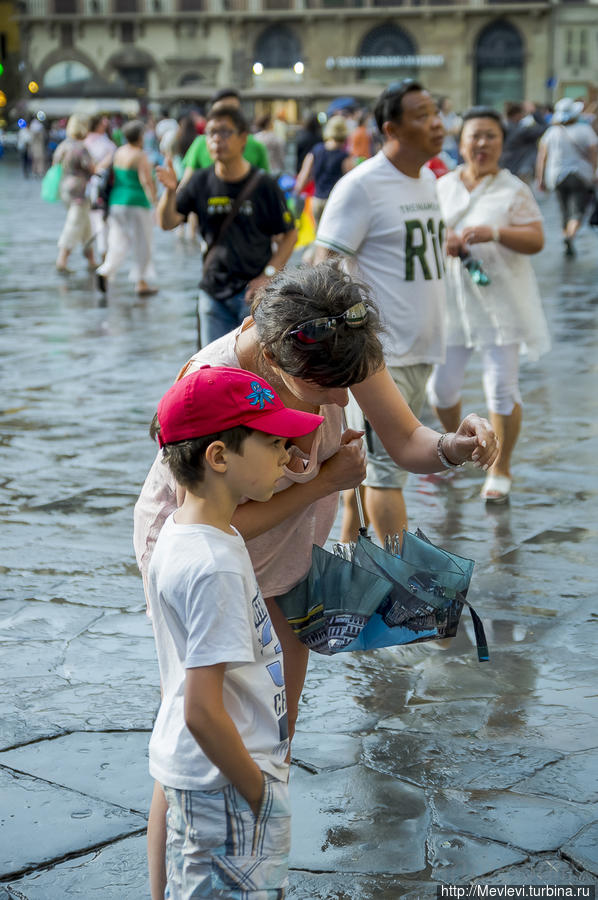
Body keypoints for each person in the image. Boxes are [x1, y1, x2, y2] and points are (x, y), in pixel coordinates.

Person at [133, 263, 498, 899]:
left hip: (290, 549)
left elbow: (407, 437)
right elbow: (223, 520)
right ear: (272, 354)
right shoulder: (217, 384)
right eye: (324, 389)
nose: (337, 401)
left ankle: (253, 858)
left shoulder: (339, 345)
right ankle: (167, 888)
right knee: (193, 727)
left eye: (347, 385)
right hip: (207, 546)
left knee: (273, 723)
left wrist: (457, 446)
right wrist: (327, 481)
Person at [147, 364, 324, 898]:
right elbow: (202, 709)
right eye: (273, 443)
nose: (288, 458)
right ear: (219, 457)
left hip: (209, 780)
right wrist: (259, 794)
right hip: (227, 784)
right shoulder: (215, 562)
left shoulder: (186, 533)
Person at [314, 79, 448, 544]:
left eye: (436, 111)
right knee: (387, 474)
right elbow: (322, 263)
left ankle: (352, 563)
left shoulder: (430, 177)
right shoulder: (362, 187)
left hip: (423, 346)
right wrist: (345, 338)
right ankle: (402, 590)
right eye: (422, 114)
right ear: (391, 128)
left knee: (365, 470)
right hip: (381, 356)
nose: (437, 123)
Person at [427, 106, 549, 504]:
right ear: (460, 143)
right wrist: (442, 243)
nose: (481, 143)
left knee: (500, 389)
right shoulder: (442, 186)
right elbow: (425, 236)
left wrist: (495, 232)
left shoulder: (512, 188)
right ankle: (457, 451)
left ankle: (501, 467)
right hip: (452, 304)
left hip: (501, 304)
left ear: (502, 142)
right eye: (474, 136)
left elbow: (536, 239)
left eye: (490, 136)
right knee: (441, 390)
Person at [156, 104, 297, 347]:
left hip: (254, 296)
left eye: (224, 132)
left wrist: (268, 275)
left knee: (257, 374)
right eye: (211, 133)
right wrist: (169, 192)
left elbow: (290, 234)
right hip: (213, 292)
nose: (216, 140)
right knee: (215, 372)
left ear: (243, 138)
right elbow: (167, 223)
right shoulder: (200, 181)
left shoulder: (264, 185)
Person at [96, 119, 158, 296]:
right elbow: (146, 181)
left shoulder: (118, 152)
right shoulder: (140, 155)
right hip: (137, 202)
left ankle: (105, 270)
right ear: (140, 136)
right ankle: (141, 282)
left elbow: (100, 169)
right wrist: (155, 202)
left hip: (117, 202)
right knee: (143, 243)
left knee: (118, 241)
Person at [536, 97, 598, 257]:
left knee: (564, 209)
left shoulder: (551, 132)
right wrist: (594, 171)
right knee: (578, 210)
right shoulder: (584, 130)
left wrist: (540, 178)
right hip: (580, 175)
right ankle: (570, 236)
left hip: (556, 176)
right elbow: (593, 154)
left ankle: (566, 235)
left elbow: (542, 157)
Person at [182, 89, 270, 179]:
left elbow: (264, 182)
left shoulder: (256, 146)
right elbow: (186, 182)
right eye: (220, 112)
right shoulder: (200, 144)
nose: (217, 138)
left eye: (232, 112)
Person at [53, 114, 97, 274]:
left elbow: (55, 163)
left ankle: (91, 260)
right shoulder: (80, 147)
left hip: (65, 187)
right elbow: (91, 167)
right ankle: (62, 260)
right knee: (75, 223)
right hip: (80, 189)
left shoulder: (63, 145)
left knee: (85, 224)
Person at [294, 115, 354, 226]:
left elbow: (304, 175)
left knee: (318, 235)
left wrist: (296, 193)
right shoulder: (344, 156)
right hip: (335, 201)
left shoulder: (316, 150)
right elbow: (351, 181)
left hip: (316, 200)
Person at [84, 113, 117, 263]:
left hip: (101, 185)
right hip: (98, 186)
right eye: (104, 121)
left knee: (99, 220)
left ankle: (100, 253)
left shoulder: (91, 140)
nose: (107, 123)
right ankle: (103, 254)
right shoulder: (95, 141)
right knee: (100, 220)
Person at [501, 101, 546, 184]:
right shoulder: (521, 130)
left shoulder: (501, 127)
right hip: (521, 170)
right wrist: (534, 112)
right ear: (517, 114)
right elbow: (544, 127)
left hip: (504, 168)